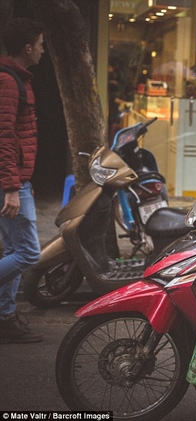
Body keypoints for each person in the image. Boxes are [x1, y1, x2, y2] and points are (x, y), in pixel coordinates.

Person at [0, 18, 45, 344]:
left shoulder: (18, 79)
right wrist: (12, 187)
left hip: (15, 180)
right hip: (12, 183)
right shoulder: (8, 81)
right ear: (28, 47)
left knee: (14, 249)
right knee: (29, 254)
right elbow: (3, 137)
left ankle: (5, 317)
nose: (43, 50)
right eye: (41, 44)